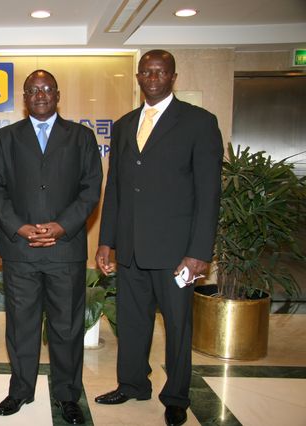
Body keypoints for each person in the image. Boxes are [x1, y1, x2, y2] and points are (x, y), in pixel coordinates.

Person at [94, 50, 223, 426]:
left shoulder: (199, 122)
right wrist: (107, 241)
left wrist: (199, 252)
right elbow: (115, 187)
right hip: (131, 249)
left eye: (160, 71)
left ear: (172, 77)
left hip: (176, 253)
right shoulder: (124, 124)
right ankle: (132, 384)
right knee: (132, 322)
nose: (152, 77)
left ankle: (177, 396)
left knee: (178, 327)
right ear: (138, 77)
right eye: (146, 71)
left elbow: (208, 192)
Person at [0, 69, 102, 424]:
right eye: (33, 90)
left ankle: (67, 395)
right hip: (20, 250)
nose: (40, 94)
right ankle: (20, 390)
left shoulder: (81, 137)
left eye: (47, 88)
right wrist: (20, 228)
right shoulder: (5, 138)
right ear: (24, 96)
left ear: (57, 94)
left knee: (66, 327)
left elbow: (90, 189)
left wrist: (61, 226)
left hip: (65, 249)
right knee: (21, 324)